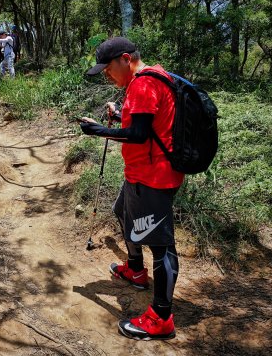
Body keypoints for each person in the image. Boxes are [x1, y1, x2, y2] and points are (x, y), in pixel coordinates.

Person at [79, 37, 183, 341]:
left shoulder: (142, 84)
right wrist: (121, 115)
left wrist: (97, 130)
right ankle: (136, 270)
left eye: (109, 69)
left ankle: (161, 317)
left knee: (162, 245)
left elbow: (138, 136)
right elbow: (149, 126)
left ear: (126, 59)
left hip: (154, 176)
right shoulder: (152, 79)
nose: (107, 75)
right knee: (121, 211)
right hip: (141, 173)